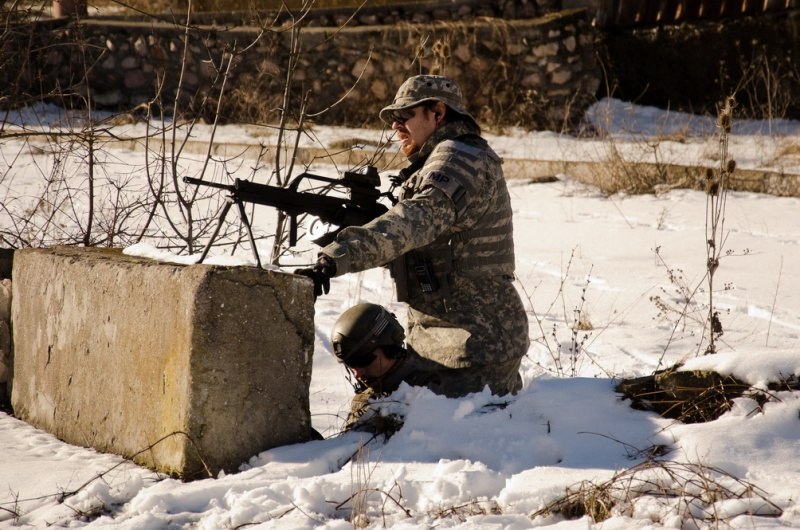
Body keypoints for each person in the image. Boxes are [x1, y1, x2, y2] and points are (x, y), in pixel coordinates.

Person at [296, 74, 529, 398]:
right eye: (393, 118)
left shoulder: (460, 158)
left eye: (404, 115)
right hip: (440, 343)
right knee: (371, 409)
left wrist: (338, 257)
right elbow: (425, 245)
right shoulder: (438, 161)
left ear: (438, 112)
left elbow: (414, 221)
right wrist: (357, 223)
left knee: (382, 418)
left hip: (475, 349)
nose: (396, 125)